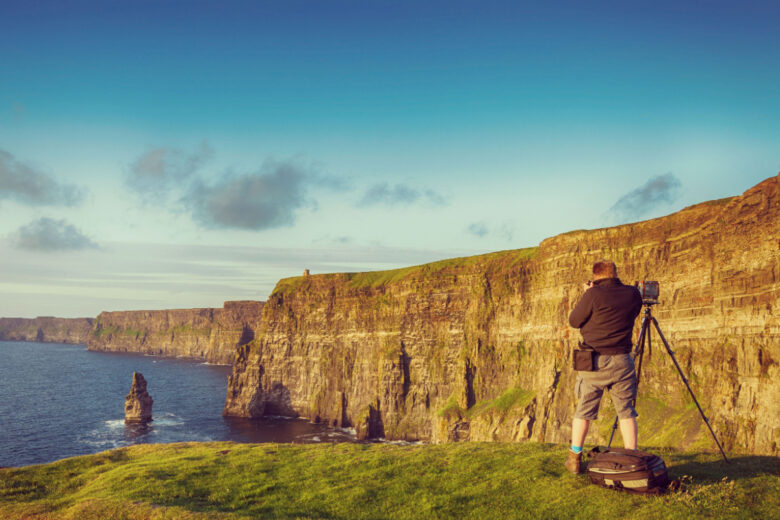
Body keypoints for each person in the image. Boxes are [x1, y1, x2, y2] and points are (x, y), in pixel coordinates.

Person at [565, 260, 642, 474]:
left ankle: (574, 459)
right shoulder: (633, 294)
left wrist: (589, 293)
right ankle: (632, 460)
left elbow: (574, 320)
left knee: (584, 412)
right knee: (626, 411)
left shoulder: (592, 295)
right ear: (614, 273)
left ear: (596, 276)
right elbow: (632, 312)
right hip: (622, 361)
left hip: (594, 363)